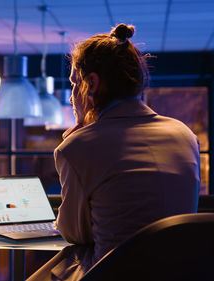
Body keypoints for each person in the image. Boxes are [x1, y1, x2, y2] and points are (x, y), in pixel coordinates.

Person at [27, 23, 200, 281]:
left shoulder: (79, 147)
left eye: (75, 83)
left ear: (92, 84)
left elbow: (74, 233)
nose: (73, 96)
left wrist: (80, 138)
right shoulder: (185, 135)